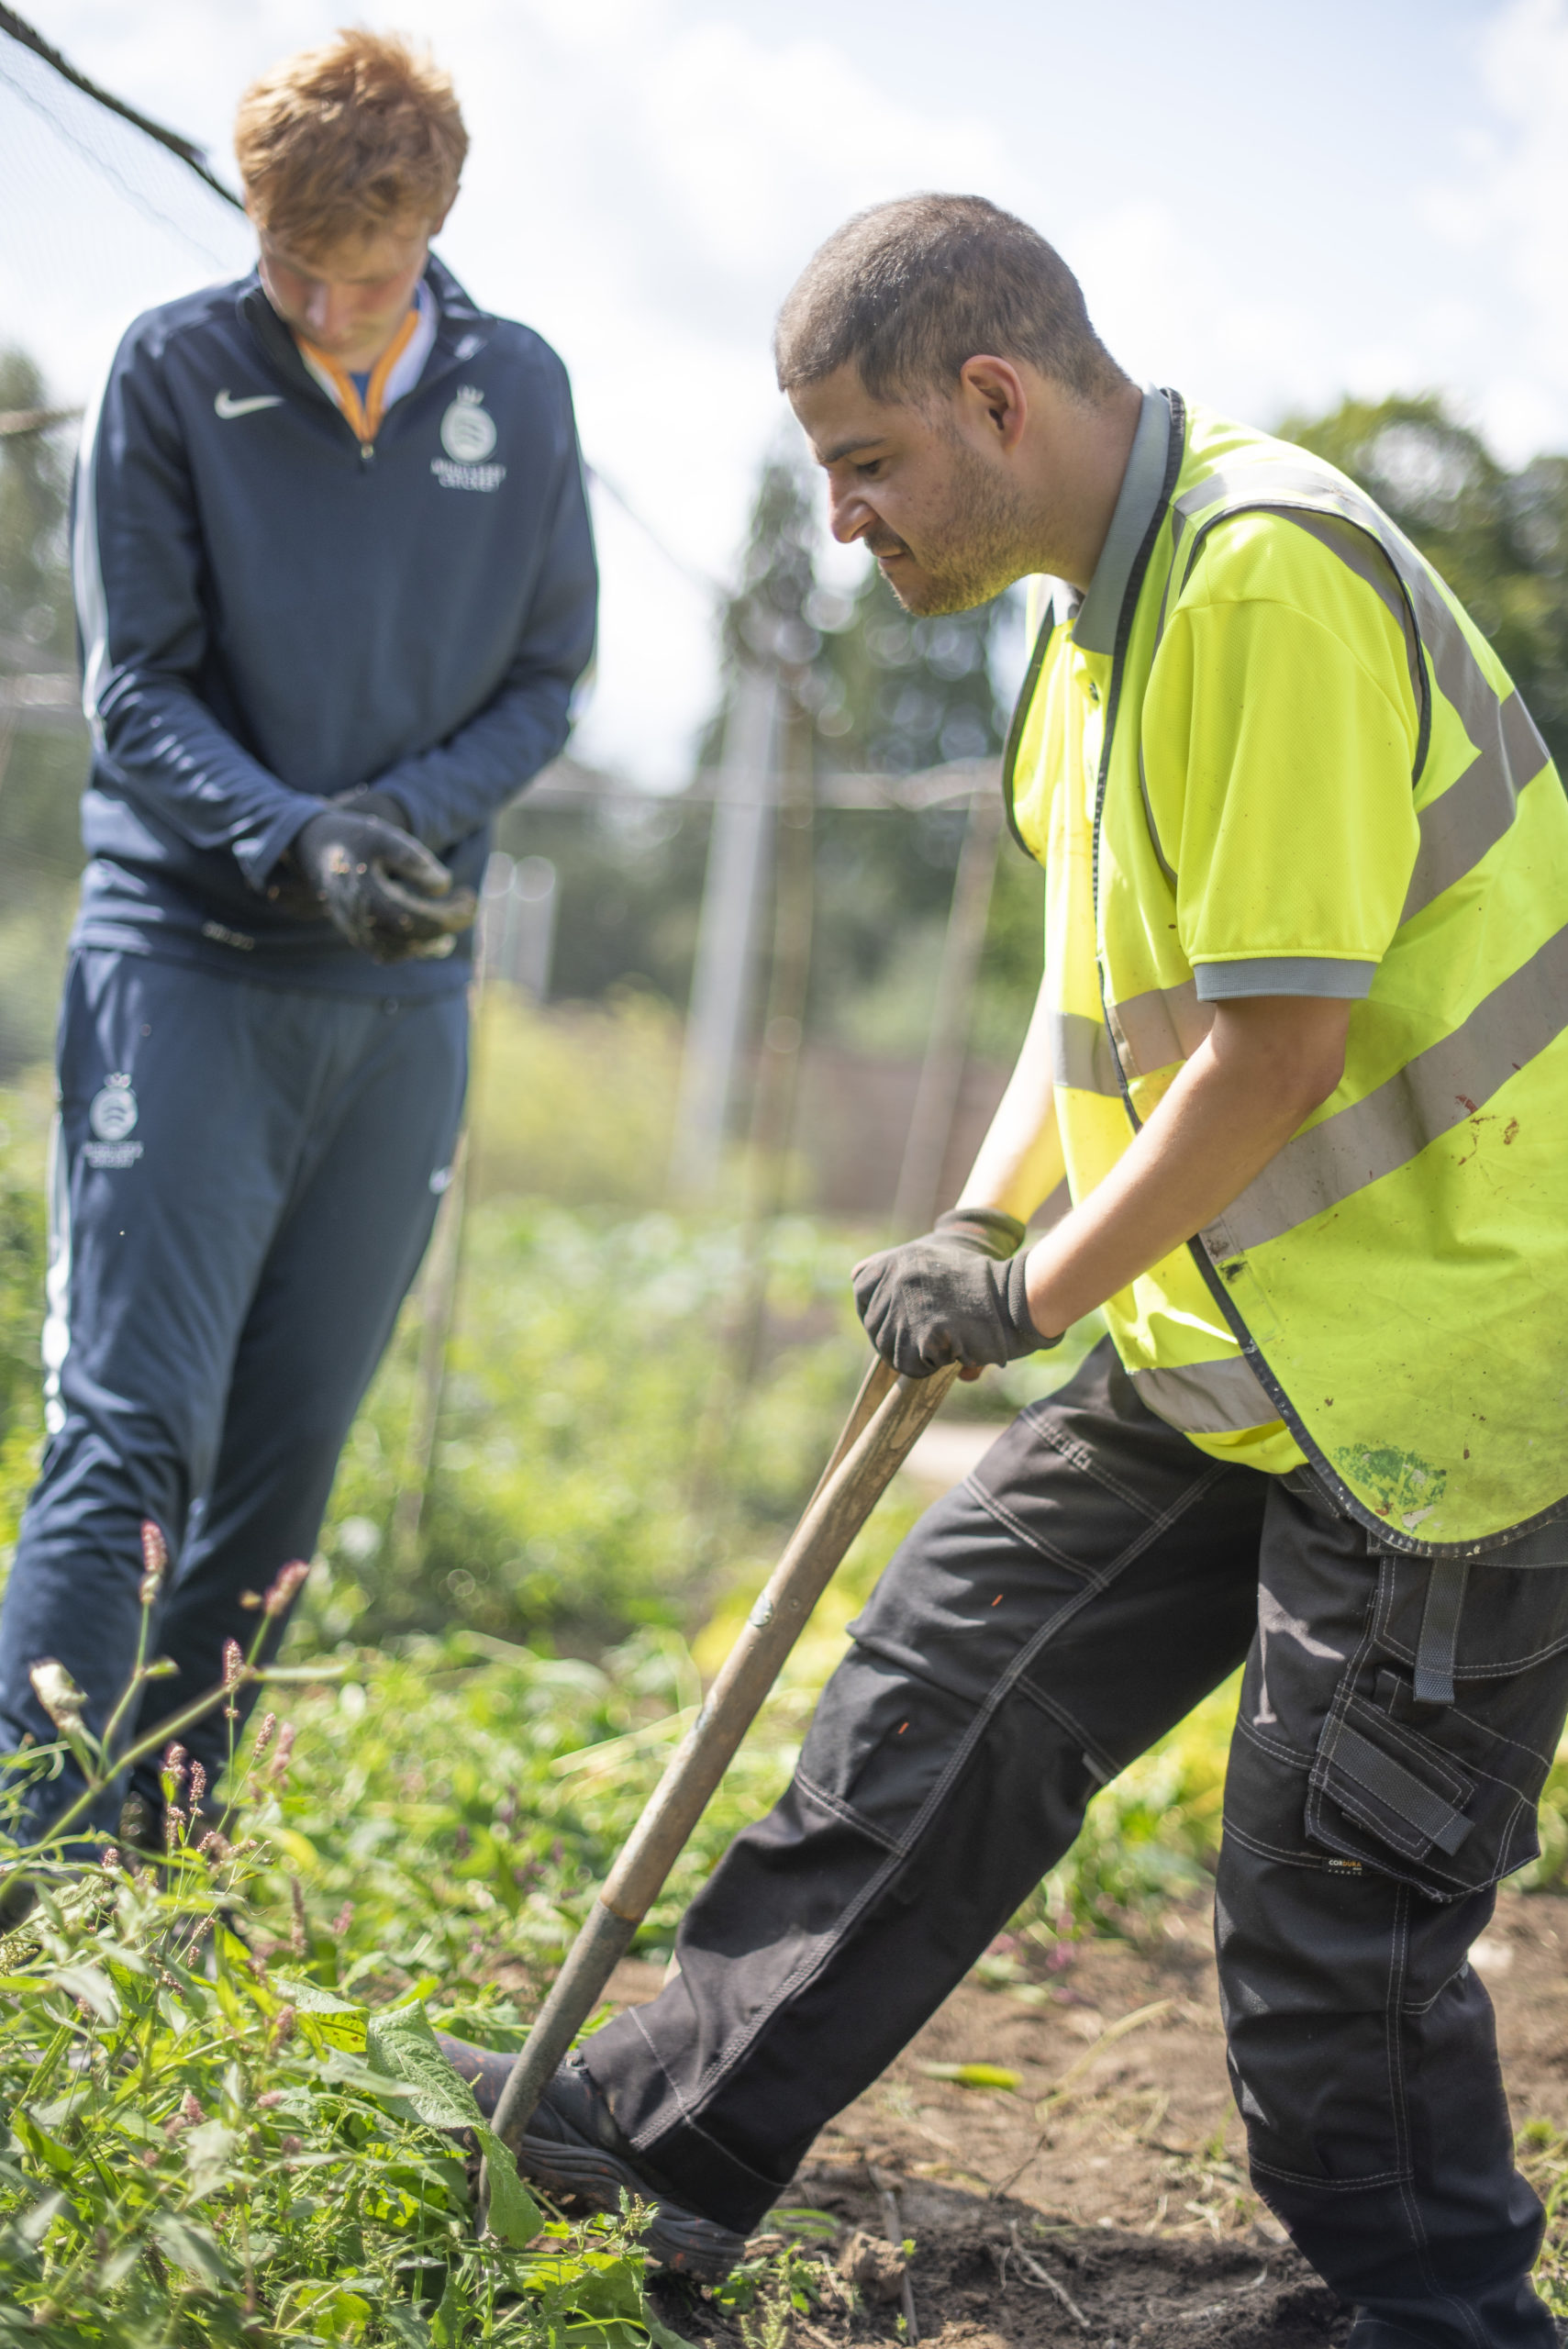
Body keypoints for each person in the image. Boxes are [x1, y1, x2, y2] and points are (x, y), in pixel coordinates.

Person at [450, 197, 1568, 2343]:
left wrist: (1032, 1293)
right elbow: (1099, 1015)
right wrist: (981, 1220)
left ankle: (1440, 2315)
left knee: (1331, 1924)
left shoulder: (1269, 579)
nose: (845, 519)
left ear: (996, 397)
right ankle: (639, 2149)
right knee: (931, 1715)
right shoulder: (1087, 628)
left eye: (862, 462)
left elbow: (1275, 1048)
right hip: (1223, 1336)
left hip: (1446, 1380)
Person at [0, 31, 596, 1848]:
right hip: (191, 965)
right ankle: (23, 1889)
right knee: (132, 1447)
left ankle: (153, 1893)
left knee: (277, 1490)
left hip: (396, 998)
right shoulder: (177, 370)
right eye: (296, 268)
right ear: (253, 225)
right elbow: (139, 686)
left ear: (435, 229)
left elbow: (551, 677)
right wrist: (287, 831)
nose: (332, 309)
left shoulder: (524, 388)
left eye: (372, 273)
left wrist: (390, 828)